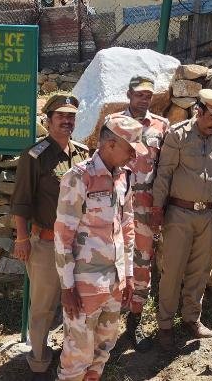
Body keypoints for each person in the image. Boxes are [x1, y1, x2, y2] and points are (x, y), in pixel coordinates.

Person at [54, 114, 145, 381]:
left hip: (114, 282)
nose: (134, 156)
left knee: (103, 349)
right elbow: (63, 236)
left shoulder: (124, 178)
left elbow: (127, 228)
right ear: (110, 144)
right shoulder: (79, 177)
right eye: (130, 149)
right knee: (77, 354)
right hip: (84, 283)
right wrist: (67, 287)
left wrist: (128, 275)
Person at [151, 88, 212, 350]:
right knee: (172, 271)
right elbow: (164, 175)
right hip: (179, 214)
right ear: (199, 111)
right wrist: (157, 210)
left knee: (201, 270)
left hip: (211, 215)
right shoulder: (177, 135)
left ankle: (192, 319)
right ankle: (165, 325)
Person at [10, 94, 89, 380]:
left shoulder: (83, 154)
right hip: (45, 243)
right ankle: (39, 361)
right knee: (43, 306)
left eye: (71, 116)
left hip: (78, 246)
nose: (67, 121)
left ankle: (70, 357)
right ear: (48, 119)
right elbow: (21, 201)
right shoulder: (35, 156)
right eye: (61, 116)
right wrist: (21, 239)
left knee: (76, 303)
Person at [108, 75, 170, 351]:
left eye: (148, 95)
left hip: (145, 205)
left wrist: (159, 206)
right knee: (110, 259)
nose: (143, 99)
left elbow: (164, 169)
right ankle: (107, 321)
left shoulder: (161, 125)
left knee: (143, 263)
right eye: (139, 94)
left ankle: (135, 323)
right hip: (115, 201)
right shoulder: (113, 123)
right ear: (129, 94)